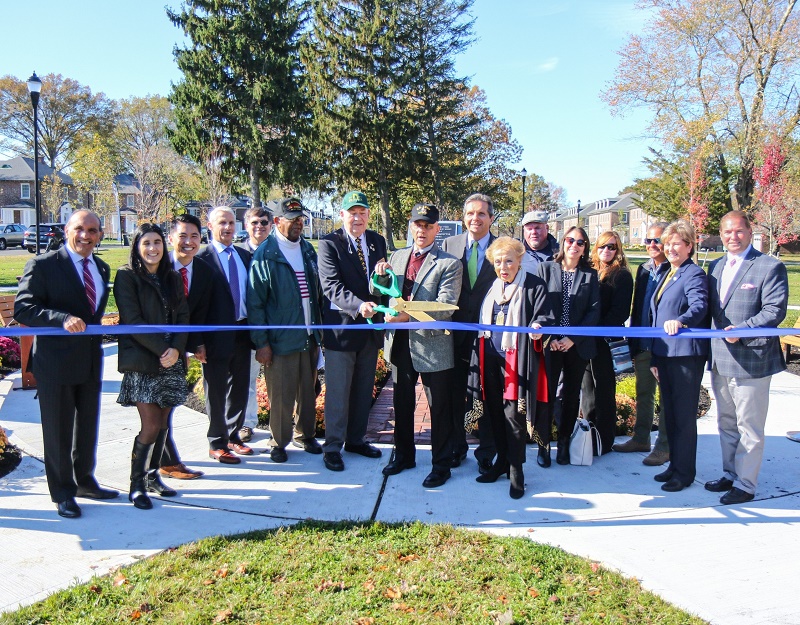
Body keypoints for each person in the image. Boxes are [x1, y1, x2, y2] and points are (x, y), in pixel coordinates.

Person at [14, 210, 118, 519]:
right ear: (66, 230)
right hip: (55, 364)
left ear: (100, 234)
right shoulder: (44, 265)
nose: (86, 235)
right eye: (80, 229)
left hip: (89, 362)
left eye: (93, 230)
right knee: (58, 431)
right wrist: (61, 319)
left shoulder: (101, 267)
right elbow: (24, 308)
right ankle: (62, 492)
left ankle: (84, 481)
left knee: (87, 427)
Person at [373, 203, 462, 488]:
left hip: (432, 345)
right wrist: (382, 277)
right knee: (402, 403)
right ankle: (404, 456)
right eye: (417, 225)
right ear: (410, 226)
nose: (421, 230)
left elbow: (445, 307)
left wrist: (405, 316)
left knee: (439, 408)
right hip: (399, 343)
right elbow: (381, 293)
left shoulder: (449, 263)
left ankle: (441, 465)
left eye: (428, 226)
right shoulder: (397, 256)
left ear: (437, 229)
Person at [704, 211, 788, 505]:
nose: (733, 237)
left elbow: (774, 310)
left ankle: (746, 484)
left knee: (749, 426)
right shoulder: (714, 267)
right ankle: (730, 474)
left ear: (750, 232)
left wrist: (743, 329)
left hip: (753, 359)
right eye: (727, 232)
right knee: (726, 422)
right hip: (720, 358)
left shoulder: (769, 266)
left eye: (739, 231)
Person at [469, 237, 553, 498]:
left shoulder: (533, 285)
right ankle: (501, 463)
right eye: (498, 262)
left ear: (519, 260)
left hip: (517, 360)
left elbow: (544, 317)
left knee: (514, 417)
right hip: (490, 358)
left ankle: (517, 470)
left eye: (508, 261)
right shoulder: (492, 287)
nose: (503, 267)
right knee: (494, 414)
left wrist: (539, 327)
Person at [114, 224, 190, 509]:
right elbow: (132, 321)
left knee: (163, 426)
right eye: (146, 243)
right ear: (137, 246)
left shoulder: (171, 277)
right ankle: (136, 484)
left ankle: (152, 476)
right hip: (143, 361)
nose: (152, 248)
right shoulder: (126, 276)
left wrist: (177, 349)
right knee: (151, 424)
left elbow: (184, 316)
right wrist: (163, 349)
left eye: (157, 242)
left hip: (171, 361)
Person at [248, 197, 324, 463]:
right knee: (280, 394)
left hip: (309, 336)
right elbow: (255, 304)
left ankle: (306, 435)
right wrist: (262, 343)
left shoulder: (307, 250)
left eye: (301, 219)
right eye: (292, 220)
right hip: (280, 340)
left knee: (308, 389)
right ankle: (279, 441)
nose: (298, 224)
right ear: (277, 221)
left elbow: (317, 294)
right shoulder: (266, 254)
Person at [317, 191, 386, 472]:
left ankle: (356, 440)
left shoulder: (378, 242)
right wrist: (359, 306)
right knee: (338, 393)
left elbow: (379, 285)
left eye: (362, 212)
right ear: (342, 215)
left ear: (369, 215)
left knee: (362, 390)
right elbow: (331, 286)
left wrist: (383, 277)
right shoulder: (329, 244)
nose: (357, 218)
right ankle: (333, 446)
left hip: (369, 331)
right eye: (352, 212)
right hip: (342, 331)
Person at [649, 219, 709, 493]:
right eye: (668, 243)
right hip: (665, 354)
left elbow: (699, 306)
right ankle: (673, 465)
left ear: (689, 246)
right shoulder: (668, 273)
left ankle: (685, 473)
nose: (671, 248)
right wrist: (654, 358)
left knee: (684, 417)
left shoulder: (693, 274)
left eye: (677, 244)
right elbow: (657, 315)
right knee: (670, 414)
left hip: (685, 356)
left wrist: (682, 320)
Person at [440, 193, 497, 474]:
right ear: (464, 217)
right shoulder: (450, 245)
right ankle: (457, 447)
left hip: (490, 336)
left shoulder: (502, 248)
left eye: (482, 214)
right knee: (455, 393)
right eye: (471, 213)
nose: (476, 218)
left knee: (486, 394)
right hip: (455, 333)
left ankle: (486, 452)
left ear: (491, 218)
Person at [535, 226, 600, 466]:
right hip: (550, 345)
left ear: (584, 248)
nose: (574, 245)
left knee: (572, 396)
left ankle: (563, 443)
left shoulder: (589, 275)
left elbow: (594, 312)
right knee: (546, 396)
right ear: (563, 243)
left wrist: (571, 338)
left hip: (577, 345)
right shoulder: (546, 269)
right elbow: (539, 306)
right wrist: (551, 339)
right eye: (570, 240)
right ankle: (544, 446)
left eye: (580, 242)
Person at [195, 206, 253, 464]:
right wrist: (196, 342)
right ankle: (217, 442)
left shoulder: (243, 255)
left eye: (231, 222)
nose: (228, 227)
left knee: (239, 388)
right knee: (216, 390)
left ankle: (233, 436)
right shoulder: (202, 258)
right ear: (210, 226)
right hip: (215, 336)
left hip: (242, 331)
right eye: (222, 223)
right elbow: (195, 303)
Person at [158, 213, 213, 481]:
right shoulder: (156, 266)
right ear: (170, 238)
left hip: (178, 350)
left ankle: (165, 461)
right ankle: (165, 463)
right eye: (182, 236)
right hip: (156, 350)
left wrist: (193, 346)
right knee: (157, 411)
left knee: (167, 408)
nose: (188, 242)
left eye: (194, 236)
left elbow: (196, 315)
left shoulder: (203, 270)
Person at [613, 223, 671, 465]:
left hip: (666, 345)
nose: (652, 245)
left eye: (657, 240)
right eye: (648, 241)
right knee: (644, 393)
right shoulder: (644, 269)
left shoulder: (675, 269)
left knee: (667, 397)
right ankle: (641, 438)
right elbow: (638, 308)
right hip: (643, 341)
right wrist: (634, 340)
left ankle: (664, 447)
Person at [580, 231, 633, 454]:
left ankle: (605, 439)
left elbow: (619, 313)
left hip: (604, 340)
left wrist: (594, 327)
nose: (606, 251)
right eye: (602, 247)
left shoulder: (621, 275)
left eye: (611, 247)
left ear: (618, 249)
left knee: (603, 389)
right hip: (586, 339)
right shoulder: (591, 271)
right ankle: (589, 435)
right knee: (586, 389)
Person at [237, 204, 274, 443]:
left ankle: (279, 425)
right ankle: (246, 423)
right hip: (246, 328)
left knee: (278, 381)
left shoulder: (278, 252)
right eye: (254, 223)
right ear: (246, 225)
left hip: (277, 326)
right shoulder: (238, 254)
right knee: (247, 378)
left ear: (271, 226)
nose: (259, 227)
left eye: (263, 222)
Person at [519, 210, 558, 275]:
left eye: (537, 228)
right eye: (529, 229)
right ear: (524, 231)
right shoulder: (517, 254)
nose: (533, 232)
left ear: (547, 228)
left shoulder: (560, 253)